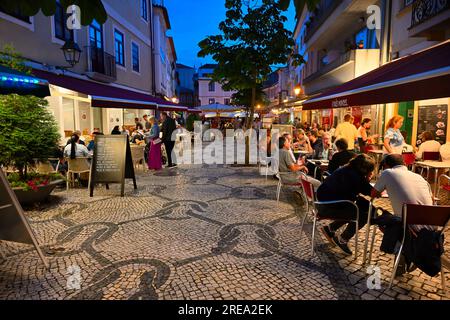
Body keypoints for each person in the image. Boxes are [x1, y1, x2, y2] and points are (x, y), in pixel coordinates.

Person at [371, 154, 434, 274]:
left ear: (386, 165)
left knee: (383, 220)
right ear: (404, 164)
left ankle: (404, 252)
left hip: (410, 225)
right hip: (432, 226)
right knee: (397, 221)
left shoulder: (388, 173)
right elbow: (431, 198)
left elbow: (374, 193)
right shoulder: (419, 177)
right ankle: (404, 257)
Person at [318, 154, 375, 255]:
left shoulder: (346, 169)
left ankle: (330, 229)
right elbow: (370, 192)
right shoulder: (356, 176)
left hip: (323, 204)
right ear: (364, 169)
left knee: (355, 208)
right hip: (330, 207)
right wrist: (368, 179)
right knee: (364, 215)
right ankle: (342, 239)